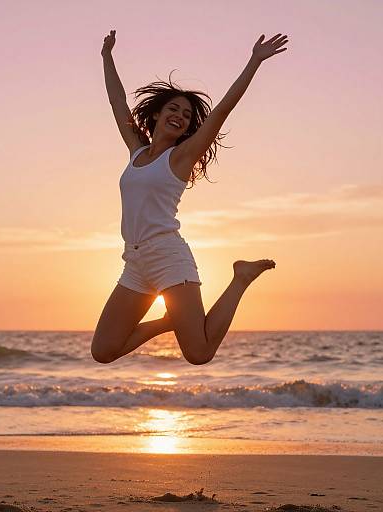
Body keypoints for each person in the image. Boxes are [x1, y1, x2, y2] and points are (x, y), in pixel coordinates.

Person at [91, 29, 288, 365]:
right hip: (134, 261)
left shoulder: (181, 158)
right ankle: (169, 322)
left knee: (199, 352)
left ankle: (240, 278)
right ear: (155, 114)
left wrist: (254, 61)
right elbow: (117, 102)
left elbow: (222, 111)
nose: (180, 117)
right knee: (104, 350)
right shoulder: (136, 151)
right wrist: (107, 56)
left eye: (186, 116)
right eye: (174, 109)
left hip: (168, 256)